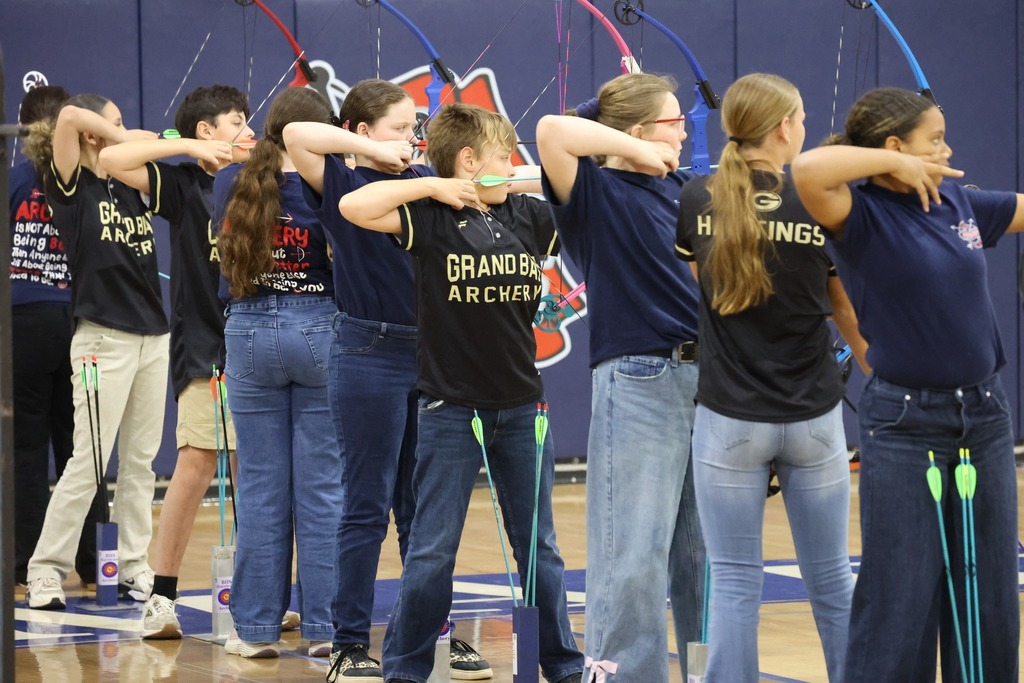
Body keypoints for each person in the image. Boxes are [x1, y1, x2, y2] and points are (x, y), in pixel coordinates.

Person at [338, 102, 584, 683]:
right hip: (451, 408)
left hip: (522, 407)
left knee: (539, 549)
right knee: (432, 551)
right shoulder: (432, 215)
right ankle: (405, 670)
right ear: (469, 159)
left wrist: (510, 182)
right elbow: (354, 206)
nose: (514, 162)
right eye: (504, 153)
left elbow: (579, 195)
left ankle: (564, 667)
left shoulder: (529, 215)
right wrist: (436, 185)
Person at [791, 87, 1024, 681]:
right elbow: (807, 169)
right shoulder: (858, 213)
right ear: (895, 147)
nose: (948, 150)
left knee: (990, 593)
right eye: (935, 140)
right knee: (900, 593)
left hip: (984, 416)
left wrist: (919, 165)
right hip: (905, 424)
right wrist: (893, 164)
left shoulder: (957, 201)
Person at [284, 79, 491, 681]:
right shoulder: (343, 179)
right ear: (361, 132)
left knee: (423, 510)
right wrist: (386, 160)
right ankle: (348, 643)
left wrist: (432, 177)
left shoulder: (424, 182)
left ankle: (432, 635)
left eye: (413, 128)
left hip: (429, 355)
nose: (411, 138)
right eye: (399, 128)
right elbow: (296, 133)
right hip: (367, 350)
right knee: (366, 507)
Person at [675, 73, 868, 683]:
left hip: (729, 418)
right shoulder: (815, 199)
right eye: (801, 117)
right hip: (812, 416)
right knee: (832, 577)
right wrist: (877, 368)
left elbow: (705, 287)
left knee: (734, 582)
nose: (804, 127)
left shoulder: (698, 197)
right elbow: (843, 307)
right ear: (783, 127)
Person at [535, 73, 705, 682]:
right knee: (632, 552)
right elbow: (553, 130)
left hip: (709, 382)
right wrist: (631, 138)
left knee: (702, 558)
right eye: (674, 122)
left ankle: (705, 672)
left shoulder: (683, 190)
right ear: (636, 132)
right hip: (641, 379)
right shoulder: (595, 192)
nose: (684, 132)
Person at [100, 84, 276, 639]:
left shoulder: (260, 183)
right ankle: (162, 597)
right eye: (236, 121)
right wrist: (183, 148)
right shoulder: (184, 184)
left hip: (259, 347)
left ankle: (259, 601)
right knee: (196, 464)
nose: (248, 130)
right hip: (203, 350)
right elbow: (112, 158)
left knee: (257, 475)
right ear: (206, 131)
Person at [23, 94, 167, 610]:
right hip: (102, 339)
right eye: (115, 123)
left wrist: (135, 139)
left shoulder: (129, 181)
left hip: (154, 336)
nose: (126, 130)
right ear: (92, 134)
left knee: (141, 463)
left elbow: (154, 144)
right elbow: (67, 116)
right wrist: (122, 136)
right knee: (87, 460)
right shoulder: (70, 183)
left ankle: (133, 565)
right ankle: (45, 570)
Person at [215, 86, 342, 659]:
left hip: (246, 329)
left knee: (262, 488)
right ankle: (325, 628)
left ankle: (255, 630)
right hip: (318, 326)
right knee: (322, 489)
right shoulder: (329, 183)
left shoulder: (232, 181)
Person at [10, 84, 105, 587]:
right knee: (82, 448)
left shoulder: (13, 181)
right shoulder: (86, 179)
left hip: (23, 328)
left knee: (27, 452)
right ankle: (94, 565)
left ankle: (25, 564)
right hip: (74, 326)